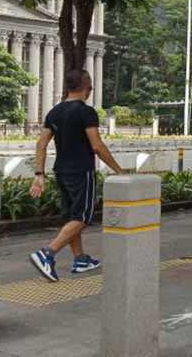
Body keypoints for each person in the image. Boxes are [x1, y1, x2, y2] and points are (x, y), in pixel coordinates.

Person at [28, 69, 123, 282]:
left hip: (61, 171)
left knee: (73, 216)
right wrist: (118, 170)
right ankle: (47, 253)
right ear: (87, 86)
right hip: (82, 172)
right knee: (82, 217)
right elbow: (97, 146)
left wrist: (39, 174)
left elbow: (41, 144)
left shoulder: (54, 112)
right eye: (90, 87)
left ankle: (80, 259)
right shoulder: (86, 112)